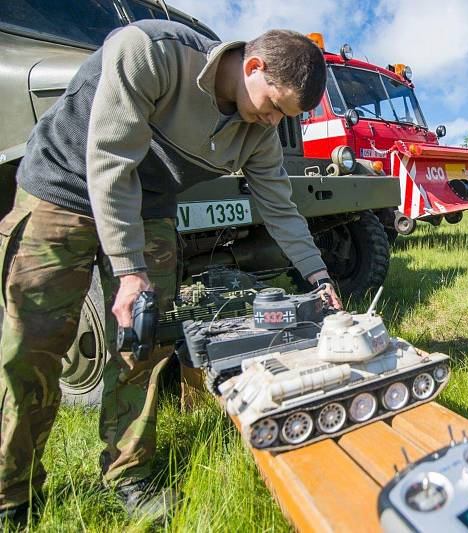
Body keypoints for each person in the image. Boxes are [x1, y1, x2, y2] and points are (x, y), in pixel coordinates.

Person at [0, 20, 341, 526]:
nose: (271, 123)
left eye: (282, 118)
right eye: (272, 106)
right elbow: (110, 160)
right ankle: (12, 493)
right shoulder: (151, 52)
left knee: (143, 345)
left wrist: (318, 276)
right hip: (64, 190)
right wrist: (128, 270)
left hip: (149, 208)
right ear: (252, 66)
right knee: (33, 346)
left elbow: (280, 207)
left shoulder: (258, 132)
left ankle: (128, 474)